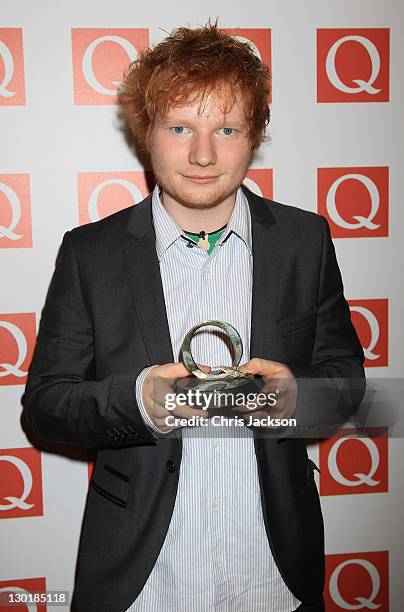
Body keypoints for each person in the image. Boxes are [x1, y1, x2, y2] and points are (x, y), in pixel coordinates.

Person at [22, 22, 365, 612]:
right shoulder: (90, 252)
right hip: (141, 578)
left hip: (272, 572)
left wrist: (296, 396)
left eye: (226, 129)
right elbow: (47, 404)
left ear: (254, 135)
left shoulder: (305, 241)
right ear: (145, 134)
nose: (203, 155)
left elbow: (347, 384)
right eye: (180, 127)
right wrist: (137, 401)